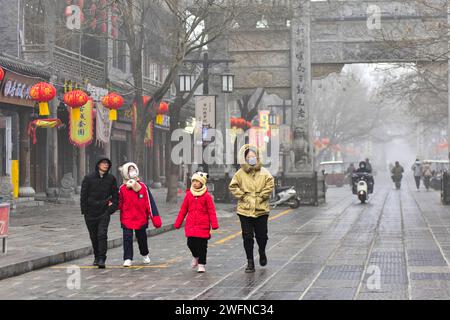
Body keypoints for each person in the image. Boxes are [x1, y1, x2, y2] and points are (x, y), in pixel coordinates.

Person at [229, 144, 275, 273]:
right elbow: (233, 186)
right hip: (245, 209)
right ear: (244, 158)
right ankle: (250, 261)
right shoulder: (239, 174)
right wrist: (243, 196)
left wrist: (262, 196)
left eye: (253, 156)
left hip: (261, 209)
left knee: (262, 236)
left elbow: (270, 184)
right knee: (247, 236)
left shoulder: (265, 172)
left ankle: (262, 251)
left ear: (257, 157)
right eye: (248, 157)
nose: (251, 158)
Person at [118, 162, 162, 267]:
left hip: (140, 217)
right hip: (127, 217)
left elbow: (150, 203)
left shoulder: (143, 187)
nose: (132, 171)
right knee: (127, 237)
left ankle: (145, 254)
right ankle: (128, 258)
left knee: (141, 237)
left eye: (133, 169)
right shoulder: (122, 188)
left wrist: (154, 217)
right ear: (125, 173)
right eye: (129, 170)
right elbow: (119, 203)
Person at [174, 172, 219, 273]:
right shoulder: (189, 195)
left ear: (202, 183)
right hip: (191, 225)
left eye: (197, 181)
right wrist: (178, 223)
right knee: (190, 243)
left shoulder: (207, 196)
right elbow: (183, 210)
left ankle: (201, 264)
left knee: (202, 246)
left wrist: (214, 224)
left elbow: (211, 211)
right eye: (193, 181)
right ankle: (195, 256)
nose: (195, 183)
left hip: (203, 225)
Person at [80, 156, 119, 269]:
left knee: (102, 235)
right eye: (103, 163)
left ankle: (102, 258)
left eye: (107, 163)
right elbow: (83, 195)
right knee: (93, 236)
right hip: (90, 213)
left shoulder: (111, 178)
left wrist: (110, 210)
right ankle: (97, 257)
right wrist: (84, 211)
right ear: (98, 165)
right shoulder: (88, 178)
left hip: (104, 212)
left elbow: (116, 197)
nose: (106, 165)